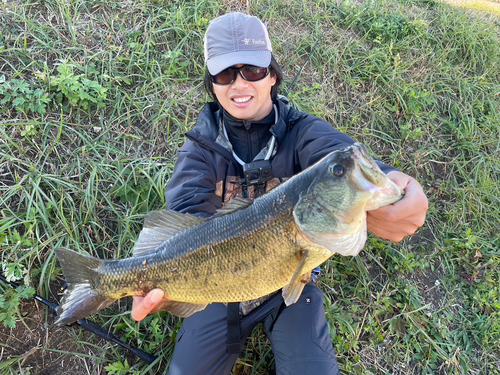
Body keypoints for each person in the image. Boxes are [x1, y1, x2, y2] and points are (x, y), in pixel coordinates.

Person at [131, 12, 428, 375]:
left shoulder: (303, 132)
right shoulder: (198, 150)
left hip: (292, 283)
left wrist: (400, 187)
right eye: (225, 75)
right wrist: (159, 280)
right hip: (214, 289)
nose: (239, 84)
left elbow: (336, 153)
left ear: (272, 75)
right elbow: (187, 217)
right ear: (213, 85)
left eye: (253, 70)